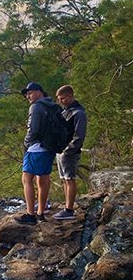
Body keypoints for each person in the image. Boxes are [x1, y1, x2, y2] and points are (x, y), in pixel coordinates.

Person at [16, 82, 58, 225]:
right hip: (50, 147)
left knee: (26, 179)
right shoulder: (52, 105)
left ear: (39, 92)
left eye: (30, 92)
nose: (28, 95)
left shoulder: (36, 107)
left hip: (36, 147)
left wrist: (26, 144)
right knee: (43, 178)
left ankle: (30, 214)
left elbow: (32, 129)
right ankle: (40, 212)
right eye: (26, 94)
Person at [53, 85, 87, 220]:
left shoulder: (78, 113)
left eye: (62, 98)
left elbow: (79, 135)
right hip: (60, 151)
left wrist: (68, 150)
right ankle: (66, 206)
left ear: (70, 96)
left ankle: (69, 209)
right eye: (59, 99)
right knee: (64, 180)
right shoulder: (65, 111)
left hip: (70, 153)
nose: (61, 101)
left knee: (70, 179)